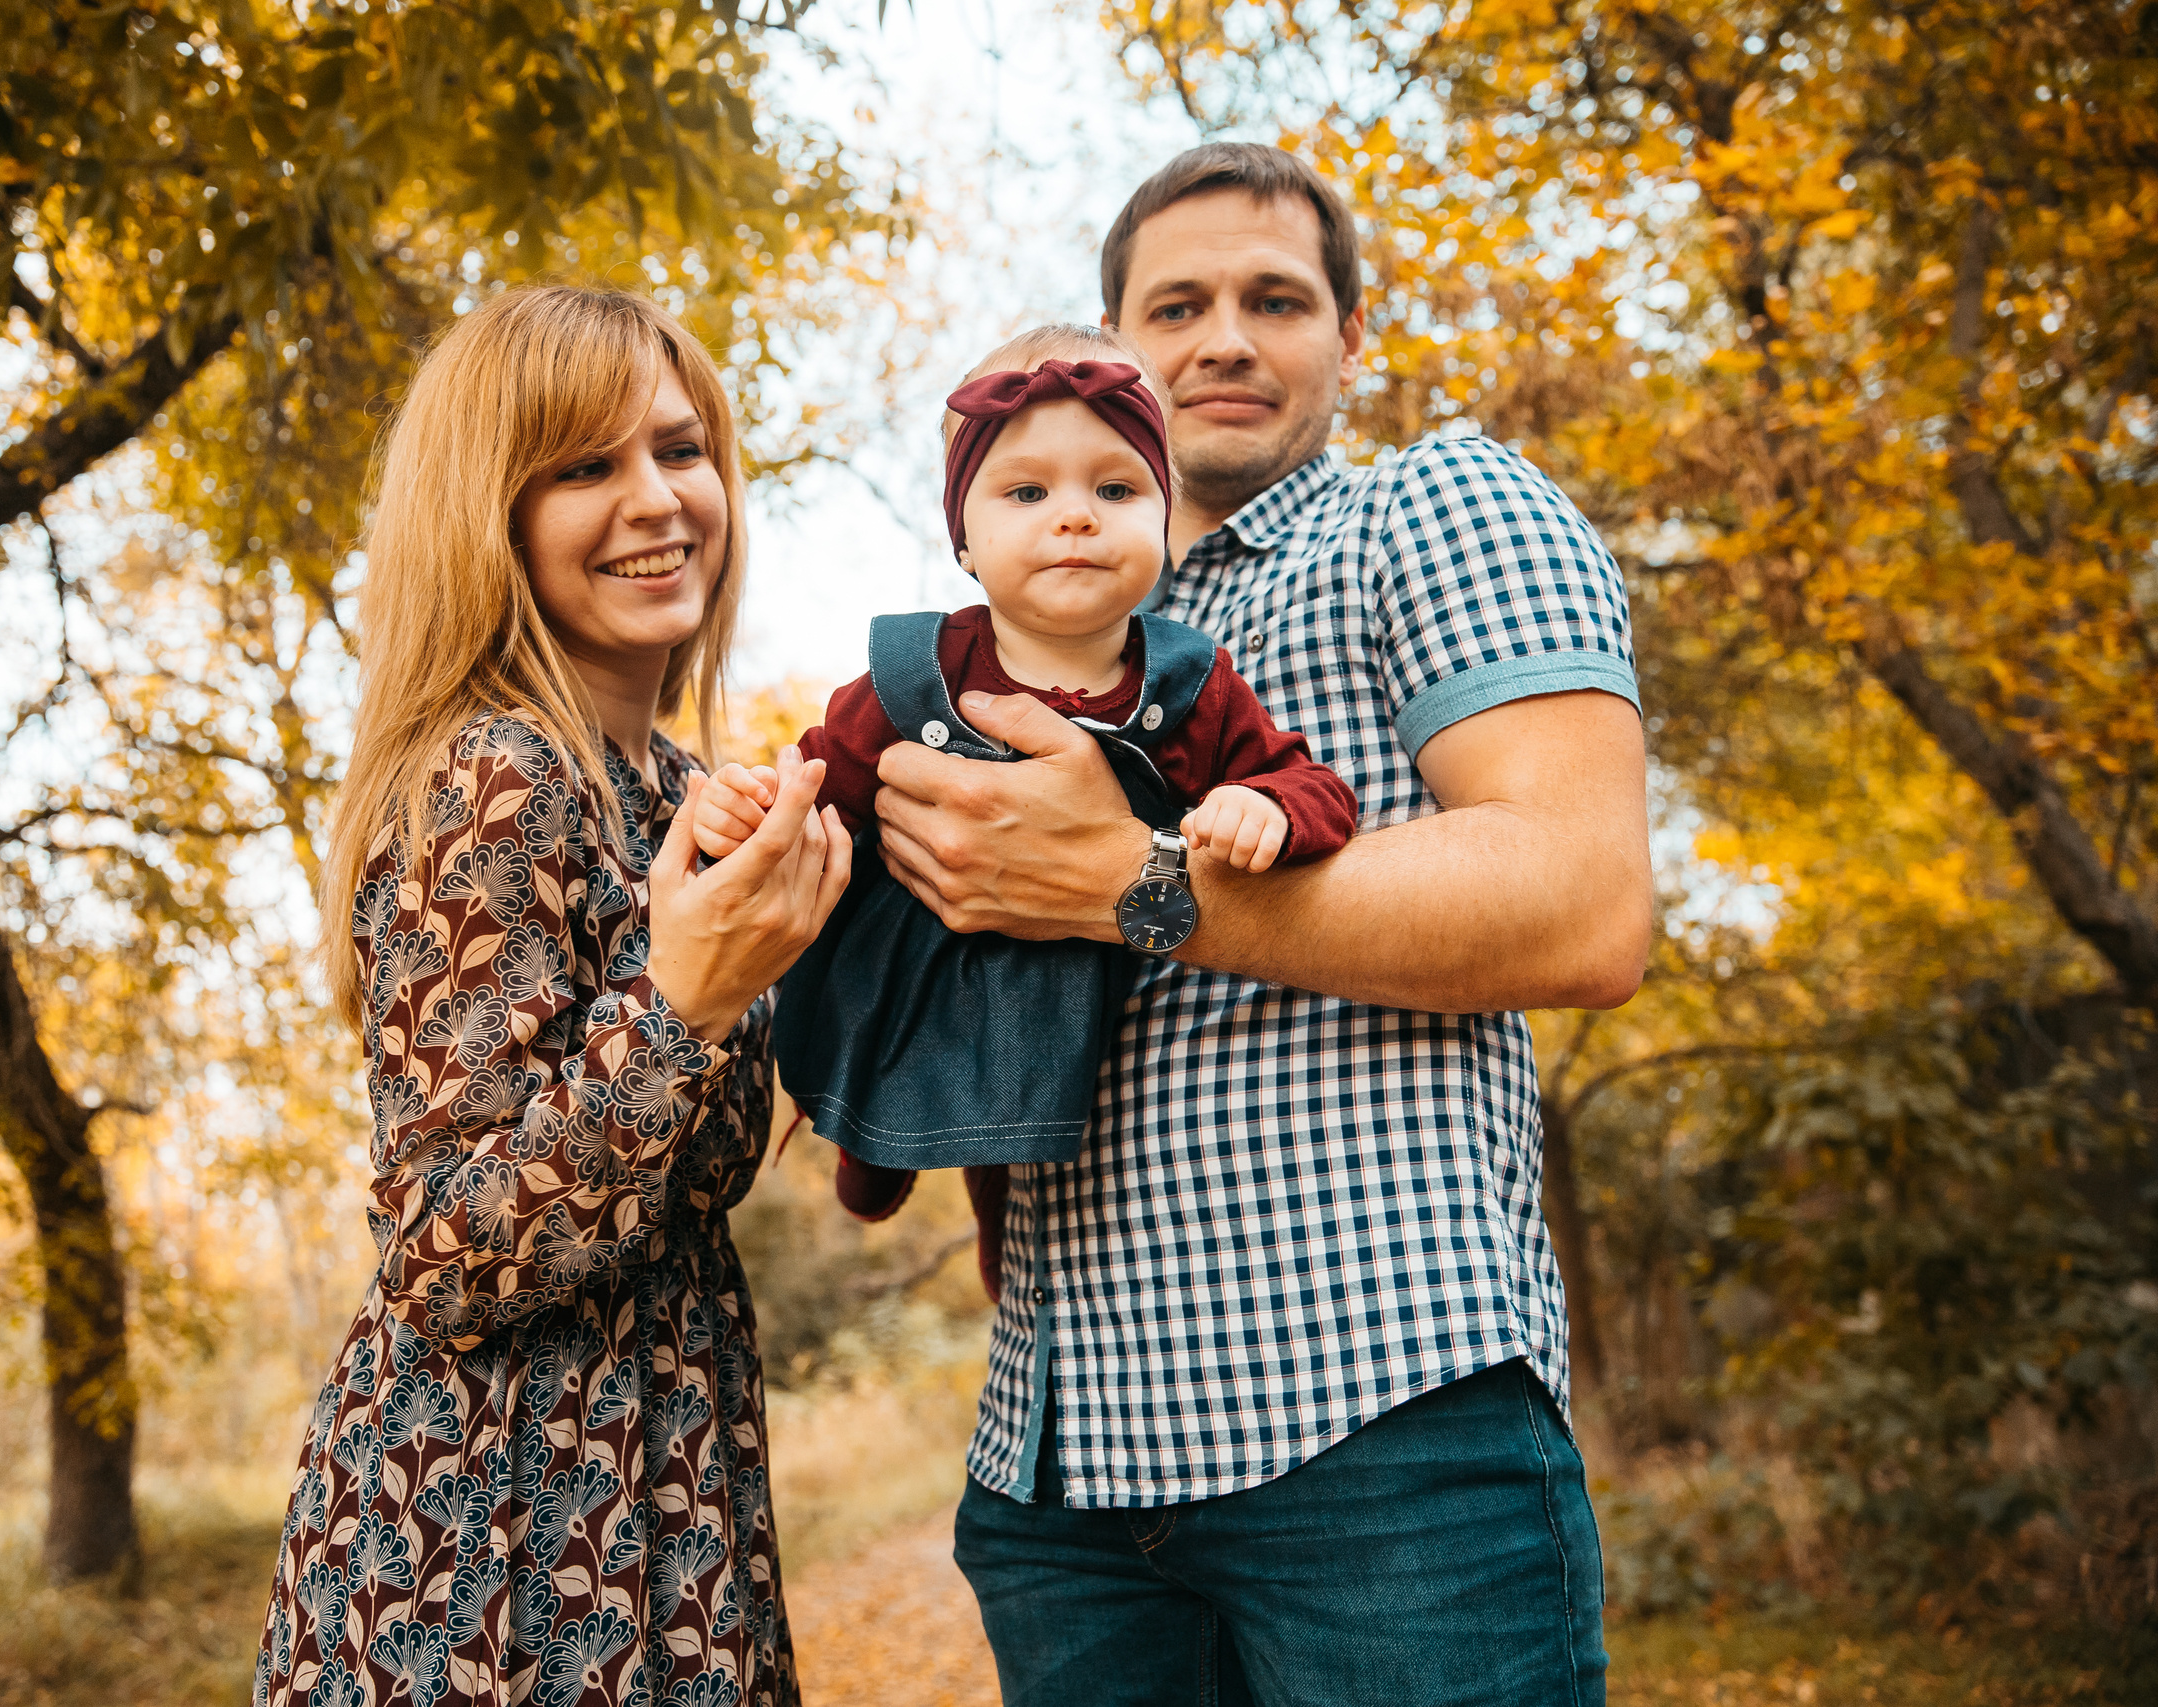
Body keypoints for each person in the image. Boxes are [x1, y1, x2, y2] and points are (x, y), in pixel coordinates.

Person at [877, 145, 1654, 1704]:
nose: (1224, 336)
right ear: (1110, 358)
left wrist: (1129, 880)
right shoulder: (1044, 623)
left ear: (1349, 339)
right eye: (1178, 303)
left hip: (1381, 1444)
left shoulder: (1431, 511)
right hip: (1060, 1473)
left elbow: (1585, 900)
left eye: (1275, 299)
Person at [253, 286, 851, 1707]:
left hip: (666, 1480)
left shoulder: (673, 793)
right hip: (490, 1539)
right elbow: (447, 1252)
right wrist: (681, 1002)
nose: (656, 498)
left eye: (679, 446)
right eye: (584, 467)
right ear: (492, 512)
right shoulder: (492, 772)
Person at [686, 323, 1355, 1300]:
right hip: (916, 948)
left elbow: (1314, 788)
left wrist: (1265, 808)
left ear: (1164, 526)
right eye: (1028, 492)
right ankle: (869, 1140)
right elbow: (817, 784)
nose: (1074, 518)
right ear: (965, 536)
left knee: (1025, 1109)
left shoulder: (1191, 681)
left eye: (1115, 490)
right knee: (878, 1018)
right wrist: (754, 806)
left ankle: (1014, 1261)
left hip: (1085, 974)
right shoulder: (916, 676)